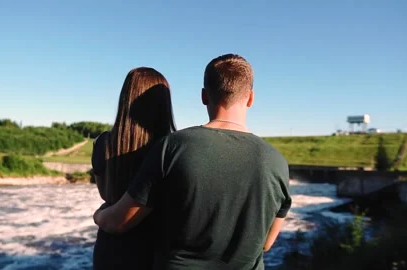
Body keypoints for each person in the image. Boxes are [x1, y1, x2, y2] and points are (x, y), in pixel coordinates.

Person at [94, 54, 292, 270]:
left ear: (204, 96)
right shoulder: (278, 162)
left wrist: (99, 214)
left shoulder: (174, 147)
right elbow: (266, 243)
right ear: (251, 98)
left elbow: (121, 221)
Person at [91, 67, 176, 270]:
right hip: (156, 249)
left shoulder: (103, 143)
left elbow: (105, 194)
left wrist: (101, 215)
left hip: (110, 249)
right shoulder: (172, 149)